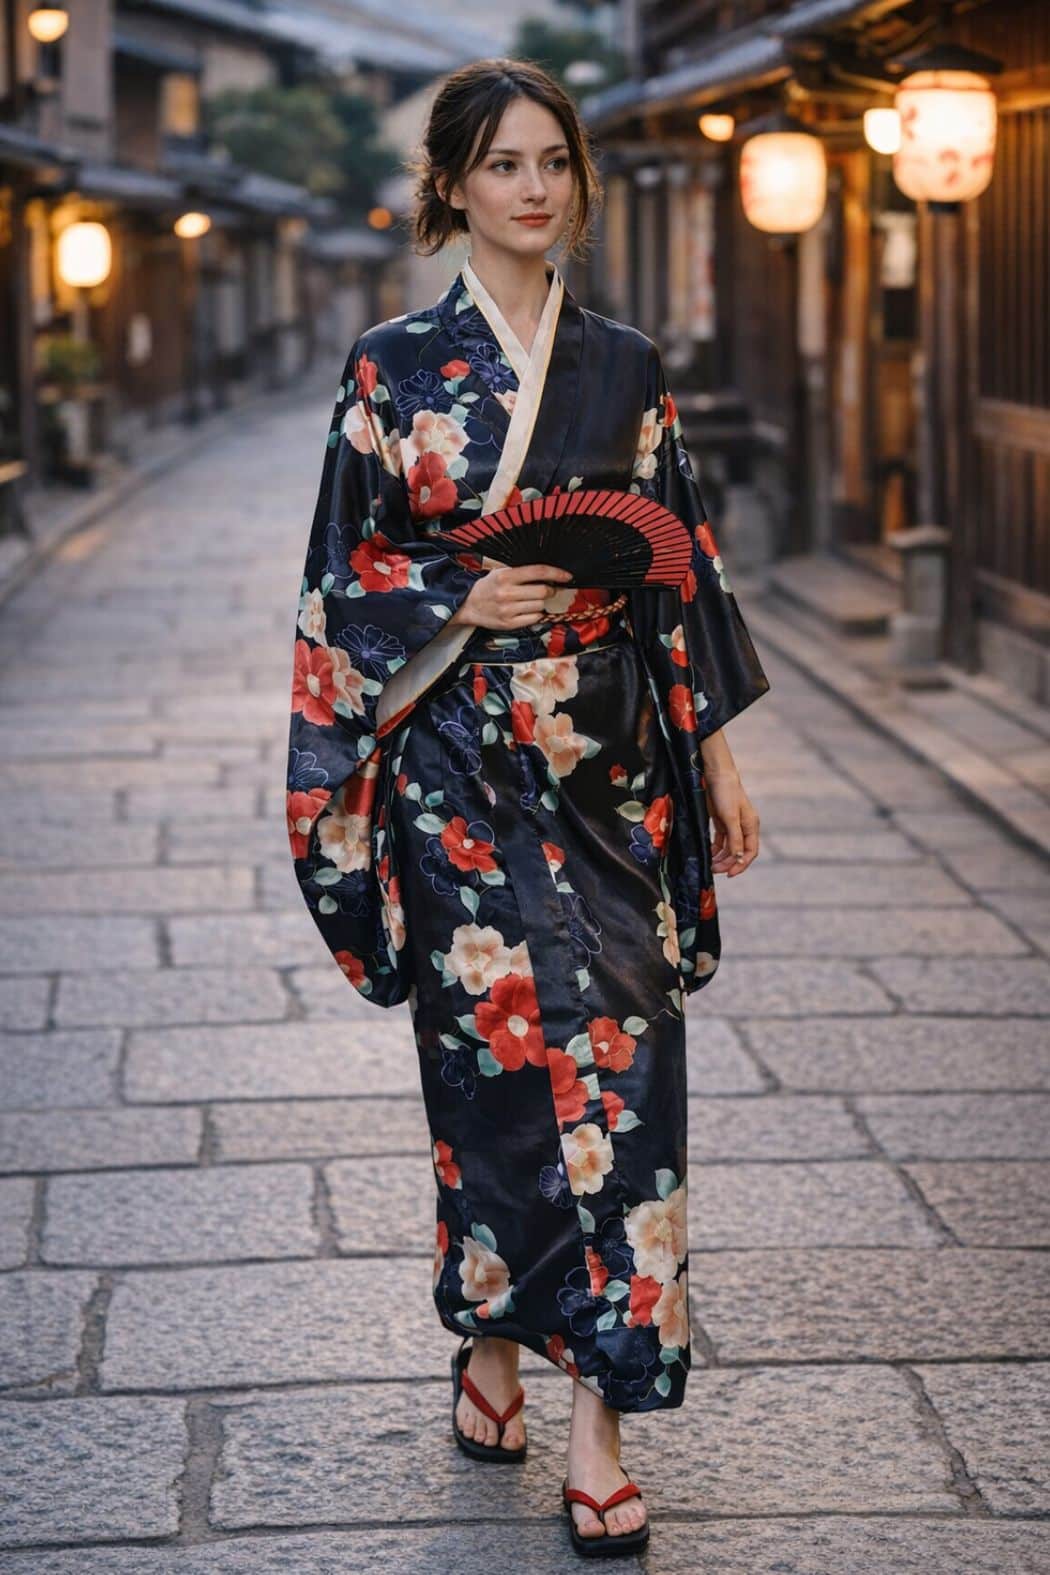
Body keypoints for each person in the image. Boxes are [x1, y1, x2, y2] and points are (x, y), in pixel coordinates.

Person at [286, 56, 770, 1557]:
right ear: (453, 187)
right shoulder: (391, 367)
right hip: (453, 768)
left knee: (630, 1063)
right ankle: (494, 1338)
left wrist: (719, 760)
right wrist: (455, 582)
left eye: (552, 161)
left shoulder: (623, 366)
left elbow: (676, 566)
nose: (534, 189)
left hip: (606, 759)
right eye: (502, 165)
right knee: (491, 1070)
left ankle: (600, 1413)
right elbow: (337, 579)